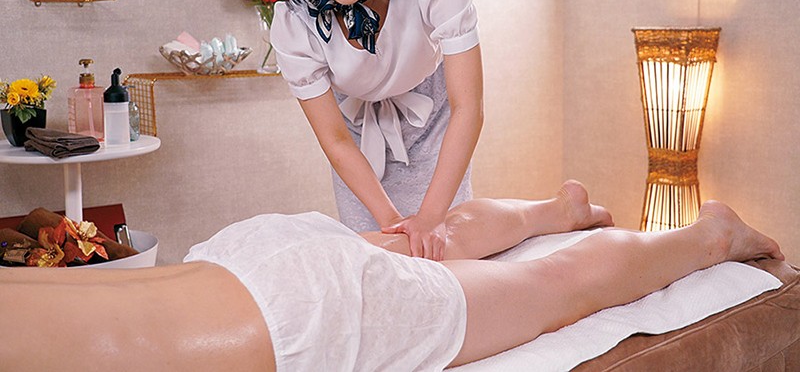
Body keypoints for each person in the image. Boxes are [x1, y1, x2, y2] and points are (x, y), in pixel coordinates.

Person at [0, 181, 784, 371]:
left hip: (303, 317)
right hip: (243, 256)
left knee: (556, 288)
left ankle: (709, 234)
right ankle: (555, 209)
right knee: (416, 242)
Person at [271, 0, 484, 260]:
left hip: (434, 124)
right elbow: (335, 139)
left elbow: (468, 107)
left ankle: (561, 210)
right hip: (357, 140)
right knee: (378, 259)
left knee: (451, 251)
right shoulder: (296, 23)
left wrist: (431, 216)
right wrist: (390, 220)